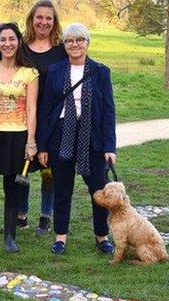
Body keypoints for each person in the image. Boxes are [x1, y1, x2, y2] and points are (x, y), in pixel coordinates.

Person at [36, 23, 116, 256]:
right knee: (62, 188)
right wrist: (42, 145)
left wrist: (110, 146)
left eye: (80, 40)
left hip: (93, 137)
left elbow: (109, 111)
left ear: (87, 43)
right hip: (61, 134)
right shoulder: (56, 70)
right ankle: (61, 236)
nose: (75, 44)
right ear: (65, 45)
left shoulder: (101, 71)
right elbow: (47, 109)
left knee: (98, 189)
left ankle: (102, 236)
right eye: (70, 41)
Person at [0, 22, 39, 253]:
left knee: (13, 189)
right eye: (3, 39)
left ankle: (10, 237)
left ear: (19, 42)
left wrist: (31, 142)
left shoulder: (29, 73)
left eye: (12, 39)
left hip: (18, 136)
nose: (7, 44)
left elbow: (32, 109)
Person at [20, 0, 67, 237]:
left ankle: (46, 217)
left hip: (51, 120)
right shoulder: (21, 47)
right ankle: (21, 215)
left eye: (49, 18)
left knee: (49, 171)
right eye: (40, 17)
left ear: (54, 22)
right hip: (23, 118)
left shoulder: (61, 50)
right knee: (23, 168)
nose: (44, 22)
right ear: (32, 19)